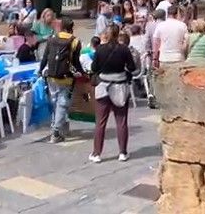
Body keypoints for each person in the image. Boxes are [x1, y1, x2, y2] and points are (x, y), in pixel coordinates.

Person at [89, 25, 137, 163]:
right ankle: (122, 152)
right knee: (121, 121)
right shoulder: (124, 49)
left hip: (103, 86)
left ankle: (97, 153)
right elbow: (132, 67)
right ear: (118, 35)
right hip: (120, 85)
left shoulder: (100, 49)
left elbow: (94, 68)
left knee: (100, 122)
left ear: (106, 35)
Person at [39, 17, 82, 143]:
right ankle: (56, 131)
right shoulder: (75, 41)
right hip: (66, 78)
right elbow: (76, 62)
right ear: (71, 27)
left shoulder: (52, 39)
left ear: (61, 26)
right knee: (62, 104)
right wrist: (83, 72)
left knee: (55, 102)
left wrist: (39, 70)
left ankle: (56, 126)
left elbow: (45, 57)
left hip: (51, 76)